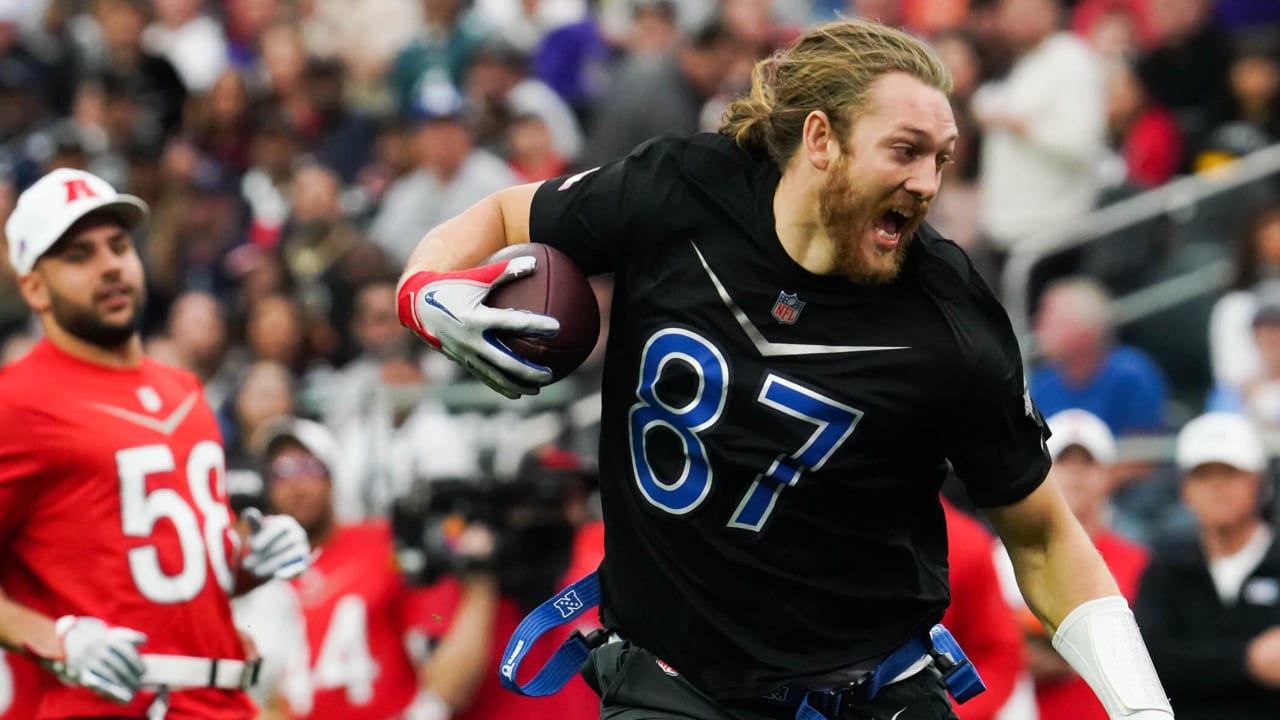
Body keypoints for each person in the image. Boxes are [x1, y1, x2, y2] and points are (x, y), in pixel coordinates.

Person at [395, 19, 1174, 720]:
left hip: (871, 694)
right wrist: (424, 293)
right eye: (903, 151)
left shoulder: (950, 317)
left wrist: (1143, 711)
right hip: (675, 688)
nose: (928, 184)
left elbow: (1039, 538)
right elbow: (501, 215)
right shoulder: (678, 191)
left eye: (942, 159)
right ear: (820, 138)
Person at [0, 168, 311, 718]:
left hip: (219, 698)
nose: (110, 265)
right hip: (96, 705)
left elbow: (170, 576)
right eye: (79, 255)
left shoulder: (184, 389)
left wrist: (249, 559)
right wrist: (57, 638)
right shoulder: (16, 402)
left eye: (118, 246)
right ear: (33, 285)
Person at [249, 415, 497, 720]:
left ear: (333, 474)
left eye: (307, 467)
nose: (295, 485)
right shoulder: (256, 571)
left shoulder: (382, 542)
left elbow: (446, 673)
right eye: (280, 472)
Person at [998, 408, 1150, 720]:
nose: (1076, 474)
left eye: (1088, 463)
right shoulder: (999, 557)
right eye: (1063, 462)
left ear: (1108, 476)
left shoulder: (1141, 562)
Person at [1135, 412, 1280, 719]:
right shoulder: (1165, 568)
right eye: (1203, 475)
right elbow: (1151, 662)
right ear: (1185, 489)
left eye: (1230, 473)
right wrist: (1247, 660)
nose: (1217, 486)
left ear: (1258, 482)